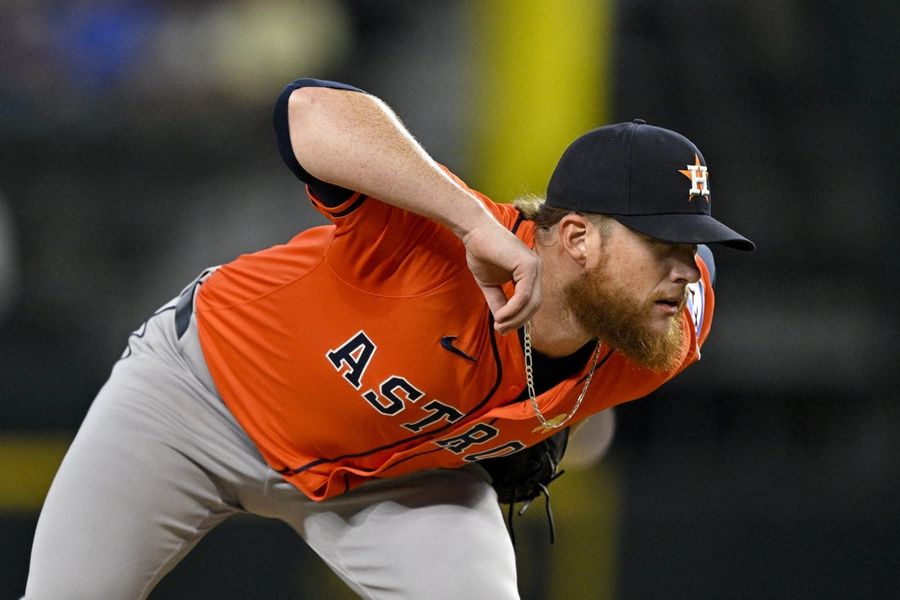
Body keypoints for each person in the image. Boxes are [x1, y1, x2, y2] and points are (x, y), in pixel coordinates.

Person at [24, 78, 753, 600]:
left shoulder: (673, 324)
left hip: (397, 479)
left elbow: (697, 272)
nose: (683, 270)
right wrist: (468, 218)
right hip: (194, 402)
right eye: (662, 245)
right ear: (576, 238)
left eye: (692, 249)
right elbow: (307, 110)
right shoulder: (436, 241)